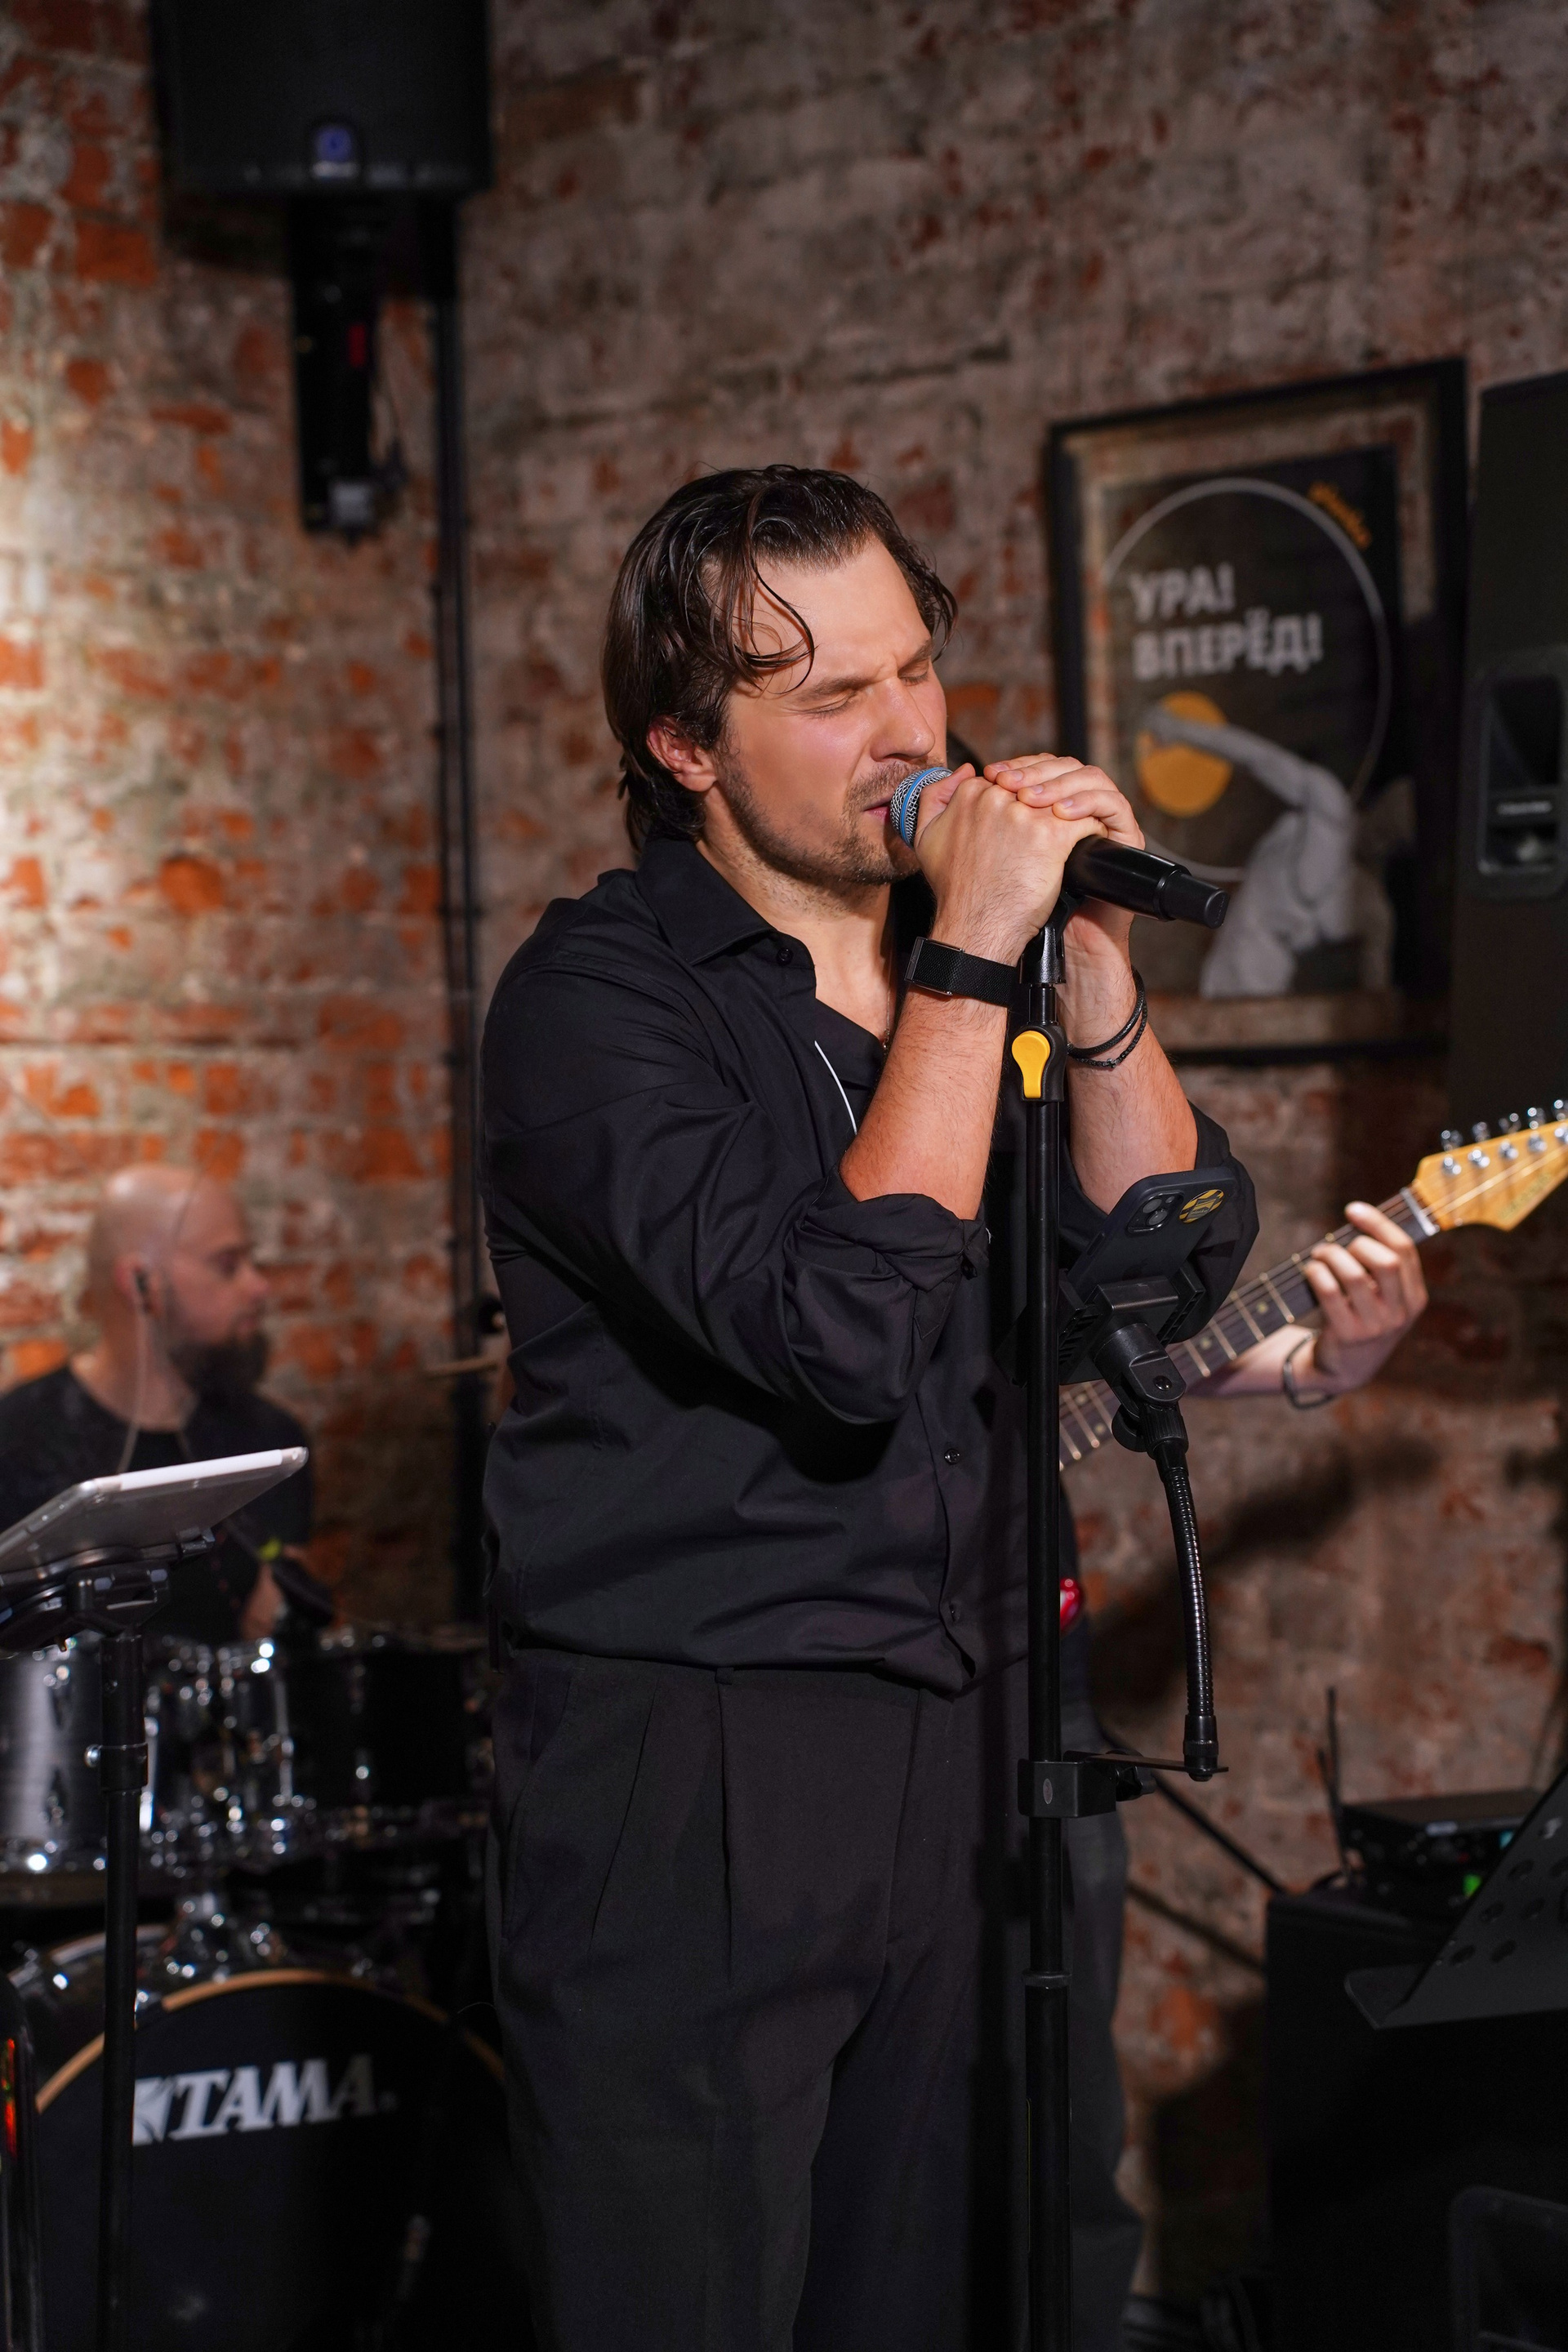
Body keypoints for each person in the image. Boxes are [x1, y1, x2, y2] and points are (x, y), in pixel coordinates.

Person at [479, 463, 1260, 2352]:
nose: (908, 732)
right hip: (706, 1756)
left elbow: (1162, 1268)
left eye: (914, 668)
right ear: (684, 744)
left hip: (985, 1730)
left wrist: (1087, 969)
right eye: (831, 696)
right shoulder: (598, 1000)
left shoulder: (974, 963)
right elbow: (836, 1328)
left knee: (972, 2287)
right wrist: (974, 957)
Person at [0, 1164, 318, 1643]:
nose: (259, 1287)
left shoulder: (271, 1442)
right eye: (227, 1265)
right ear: (139, 1282)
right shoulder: (17, 1443)